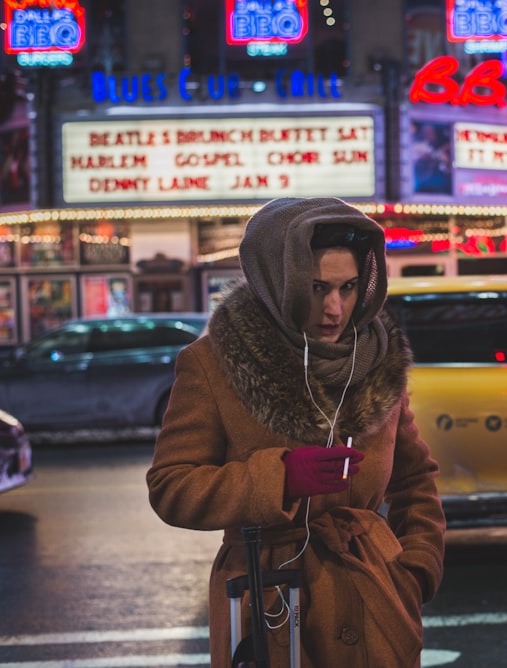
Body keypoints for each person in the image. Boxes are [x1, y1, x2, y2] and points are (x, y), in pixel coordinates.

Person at [146, 197, 446, 667]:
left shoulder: (377, 362)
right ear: (278, 282)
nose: (334, 309)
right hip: (268, 602)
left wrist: (417, 567)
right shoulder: (213, 364)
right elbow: (171, 487)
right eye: (316, 288)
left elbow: (416, 479)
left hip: (374, 593)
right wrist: (277, 479)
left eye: (348, 288)